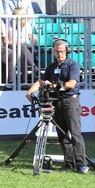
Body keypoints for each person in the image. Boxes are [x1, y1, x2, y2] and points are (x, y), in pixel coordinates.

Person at [26, 39, 87, 173]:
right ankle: (69, 162)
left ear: (67, 51)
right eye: (57, 52)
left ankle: (81, 164)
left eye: (62, 52)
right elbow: (41, 81)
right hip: (56, 101)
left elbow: (71, 84)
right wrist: (31, 91)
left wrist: (53, 85)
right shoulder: (52, 66)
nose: (60, 54)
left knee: (75, 134)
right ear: (54, 52)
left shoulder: (73, 65)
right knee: (62, 135)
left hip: (70, 101)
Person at [7, 6, 37, 76]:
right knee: (20, 46)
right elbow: (8, 41)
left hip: (25, 47)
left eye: (17, 16)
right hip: (12, 47)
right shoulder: (9, 24)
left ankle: (24, 79)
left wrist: (31, 44)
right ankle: (34, 68)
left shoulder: (27, 25)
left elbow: (34, 39)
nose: (15, 17)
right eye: (14, 15)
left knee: (21, 52)